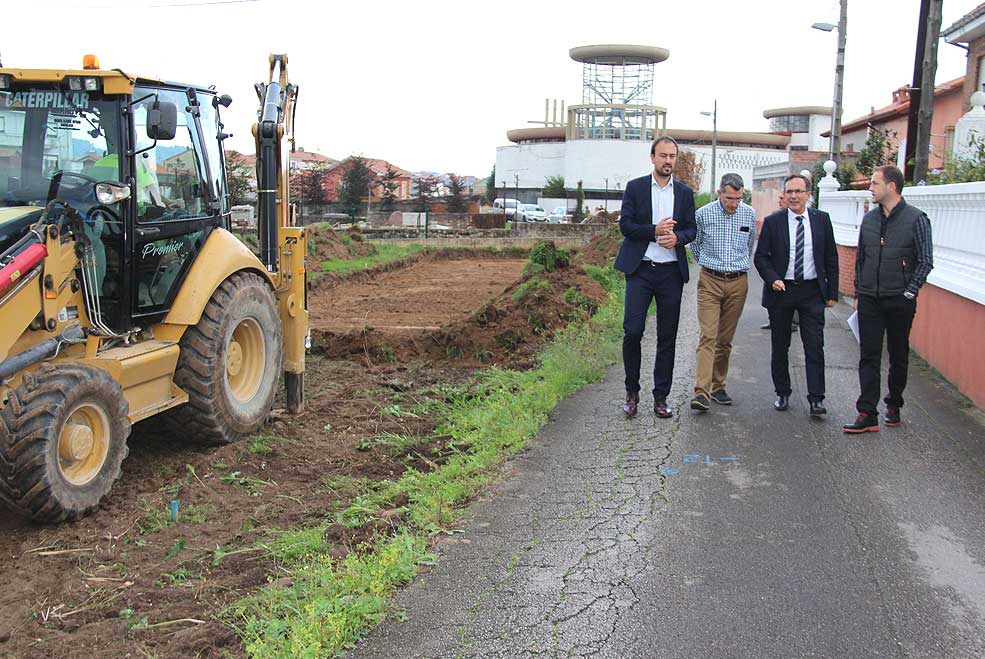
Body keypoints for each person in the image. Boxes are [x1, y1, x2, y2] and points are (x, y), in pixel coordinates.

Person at [843, 165, 933, 433]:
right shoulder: (869, 219)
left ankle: (893, 404)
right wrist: (860, 291)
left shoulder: (917, 219)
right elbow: (861, 259)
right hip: (870, 298)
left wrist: (910, 290)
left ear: (891, 186)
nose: (870, 187)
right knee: (868, 355)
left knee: (898, 354)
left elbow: (926, 261)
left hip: (899, 299)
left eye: (874, 183)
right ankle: (866, 412)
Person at [614, 135, 697, 418]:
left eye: (672, 156)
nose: (667, 161)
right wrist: (654, 230)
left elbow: (691, 230)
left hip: (670, 273)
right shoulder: (636, 188)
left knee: (667, 338)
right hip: (640, 271)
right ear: (652, 158)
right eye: (663, 156)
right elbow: (626, 226)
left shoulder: (684, 193)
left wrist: (677, 237)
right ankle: (631, 391)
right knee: (633, 332)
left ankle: (661, 397)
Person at [754, 174, 839, 416]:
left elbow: (831, 257)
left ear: (808, 194)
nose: (793, 196)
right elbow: (761, 257)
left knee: (814, 346)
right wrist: (773, 279)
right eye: (789, 191)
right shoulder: (774, 222)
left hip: (812, 291)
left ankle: (816, 399)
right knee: (780, 346)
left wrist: (831, 292)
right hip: (782, 291)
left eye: (798, 192)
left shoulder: (822, 220)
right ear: (785, 194)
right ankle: (782, 392)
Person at [689, 173, 756, 411]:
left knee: (724, 340)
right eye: (729, 198)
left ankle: (718, 386)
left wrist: (735, 268)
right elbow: (695, 246)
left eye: (738, 198)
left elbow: (749, 246)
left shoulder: (748, 214)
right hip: (710, 280)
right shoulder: (703, 214)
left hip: (738, 282)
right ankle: (701, 392)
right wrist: (710, 265)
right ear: (720, 193)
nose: (733, 203)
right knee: (708, 335)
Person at [760, 190, 798, 332]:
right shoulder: (773, 219)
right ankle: (773, 321)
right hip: (774, 269)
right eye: (780, 198)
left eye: (782, 198)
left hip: (791, 272)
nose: (780, 201)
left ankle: (793, 322)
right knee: (772, 300)